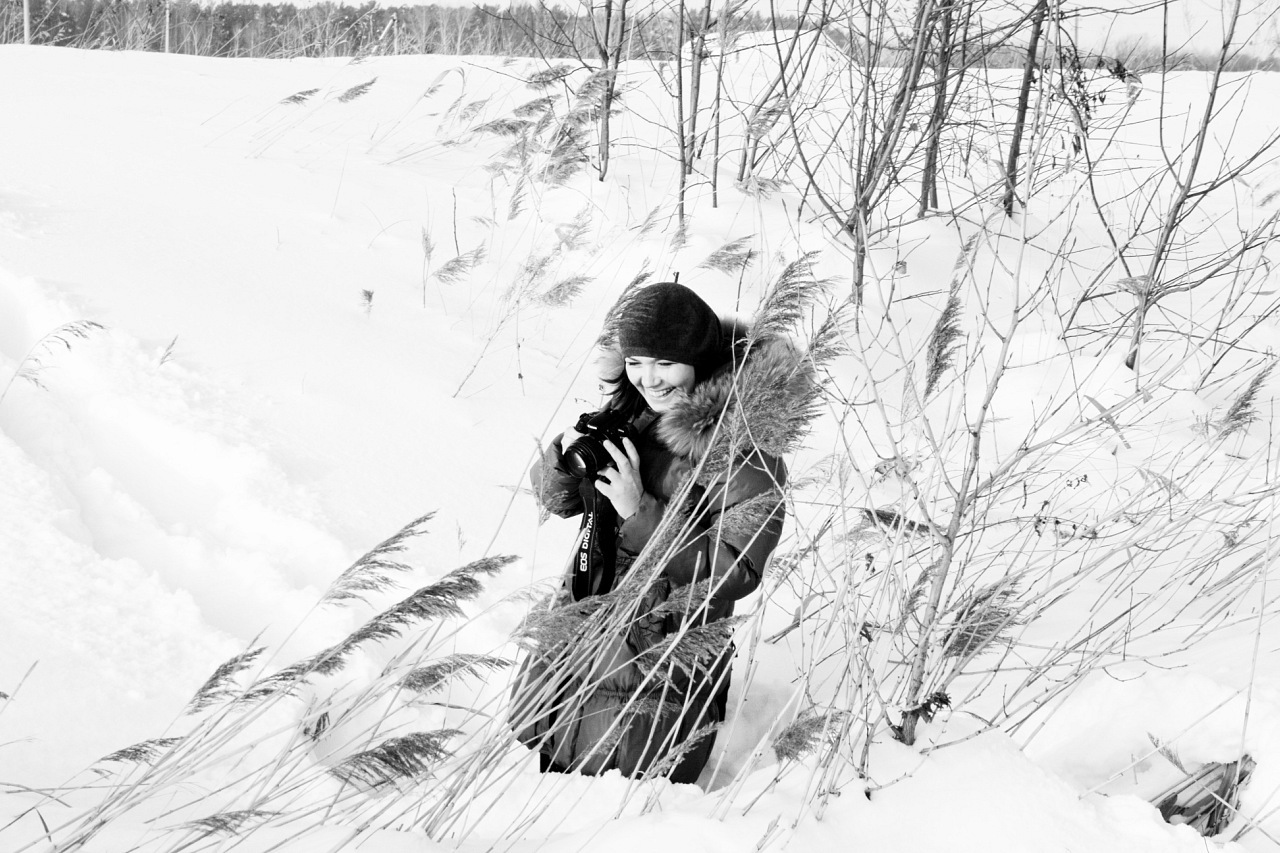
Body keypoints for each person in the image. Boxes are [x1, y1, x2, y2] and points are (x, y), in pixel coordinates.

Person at [511, 281, 810, 785]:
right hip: (585, 612)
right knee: (550, 771)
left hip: (661, 649)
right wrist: (565, 459)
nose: (648, 378)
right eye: (635, 361)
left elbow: (736, 570)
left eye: (665, 362)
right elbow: (556, 501)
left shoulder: (744, 446)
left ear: (698, 357)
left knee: (626, 796)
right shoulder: (631, 413)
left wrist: (638, 511)